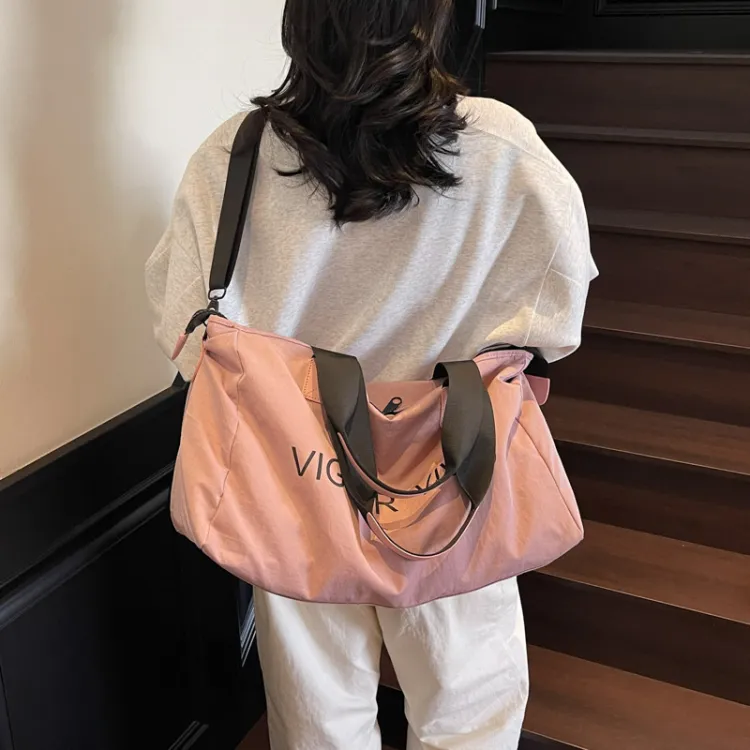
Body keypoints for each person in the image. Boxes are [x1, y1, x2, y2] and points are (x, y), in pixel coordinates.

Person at [146, 1, 596, 747]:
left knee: (316, 718)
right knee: (468, 711)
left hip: (290, 481)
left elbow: (185, 330)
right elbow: (556, 319)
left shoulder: (234, 156)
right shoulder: (502, 147)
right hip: (455, 474)